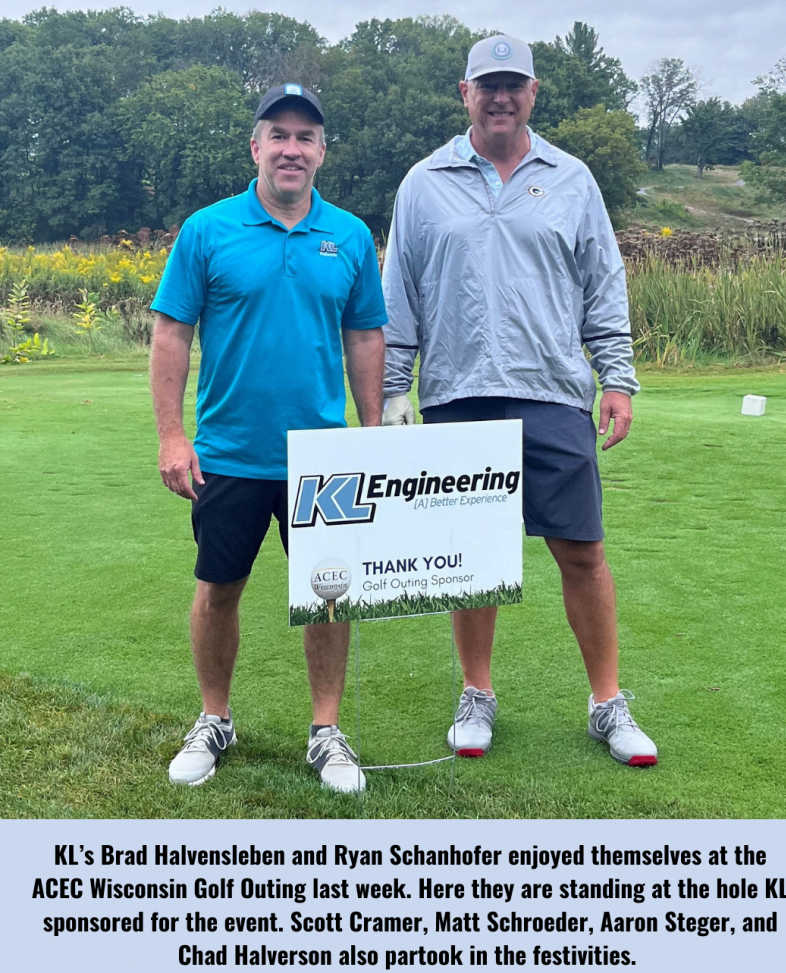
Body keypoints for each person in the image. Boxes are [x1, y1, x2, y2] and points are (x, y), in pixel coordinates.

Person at [381, 36, 657, 767]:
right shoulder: (423, 182)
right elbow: (398, 297)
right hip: (455, 395)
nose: (500, 97)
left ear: (532, 93)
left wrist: (617, 379)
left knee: (581, 552)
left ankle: (606, 702)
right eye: (486, 85)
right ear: (464, 92)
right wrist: (390, 393)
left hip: (552, 393)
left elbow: (603, 287)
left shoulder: (571, 179)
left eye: (513, 85)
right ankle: (477, 693)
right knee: (472, 560)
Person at [150, 83, 386, 792]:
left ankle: (326, 730)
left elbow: (365, 335)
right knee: (218, 589)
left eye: (304, 138)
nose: (291, 148)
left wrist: (371, 432)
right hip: (228, 452)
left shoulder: (347, 235)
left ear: (321, 153)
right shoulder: (207, 230)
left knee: (329, 594)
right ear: (255, 147)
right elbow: (171, 333)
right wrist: (171, 435)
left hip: (322, 458)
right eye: (277, 135)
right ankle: (214, 719)